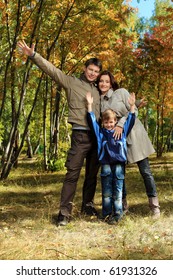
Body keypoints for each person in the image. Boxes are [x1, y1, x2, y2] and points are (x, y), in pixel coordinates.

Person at [17, 40, 102, 226]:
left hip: (97, 137)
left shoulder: (99, 91)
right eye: (91, 70)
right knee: (72, 174)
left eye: (96, 72)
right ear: (85, 68)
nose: (93, 74)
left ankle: (88, 206)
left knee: (91, 175)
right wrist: (33, 55)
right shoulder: (71, 82)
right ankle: (64, 213)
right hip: (80, 136)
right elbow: (53, 71)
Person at [97, 70, 160, 218]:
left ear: (111, 82)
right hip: (116, 142)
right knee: (120, 174)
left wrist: (120, 124)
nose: (104, 84)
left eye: (106, 81)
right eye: (101, 81)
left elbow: (134, 110)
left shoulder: (121, 92)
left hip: (134, 135)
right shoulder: (100, 101)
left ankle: (154, 205)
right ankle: (122, 206)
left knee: (145, 171)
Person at [86, 91, 136, 223]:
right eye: (106, 122)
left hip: (119, 164)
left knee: (118, 190)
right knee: (107, 191)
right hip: (106, 164)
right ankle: (107, 213)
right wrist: (90, 106)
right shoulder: (101, 133)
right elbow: (92, 122)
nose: (109, 125)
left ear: (115, 122)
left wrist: (132, 106)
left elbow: (130, 120)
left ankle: (118, 214)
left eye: (111, 122)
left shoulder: (121, 132)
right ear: (103, 122)